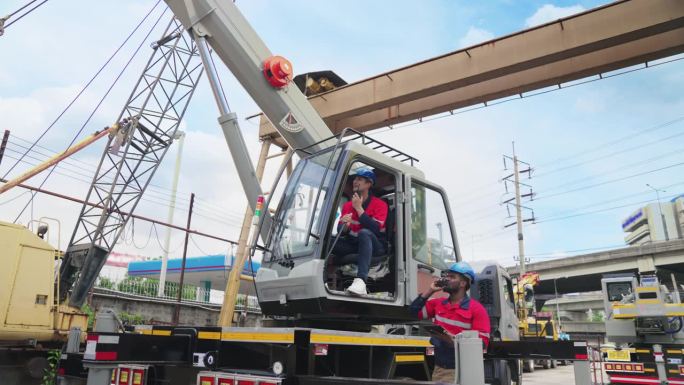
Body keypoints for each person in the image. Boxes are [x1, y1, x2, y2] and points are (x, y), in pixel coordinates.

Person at [409, 261, 491, 384]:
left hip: (463, 370)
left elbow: (482, 345)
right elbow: (413, 312)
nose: (446, 279)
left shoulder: (477, 309)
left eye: (452, 277)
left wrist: (453, 341)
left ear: (463, 283)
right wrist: (430, 290)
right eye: (447, 276)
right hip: (440, 369)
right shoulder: (438, 304)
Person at [331, 167, 388, 296]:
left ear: (369, 184)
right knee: (326, 240)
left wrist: (359, 209)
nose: (355, 181)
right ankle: (321, 275)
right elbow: (341, 230)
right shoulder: (347, 206)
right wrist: (344, 226)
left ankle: (361, 281)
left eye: (360, 179)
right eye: (355, 179)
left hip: (375, 245)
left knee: (364, 233)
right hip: (355, 244)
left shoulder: (380, 205)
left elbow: (375, 229)